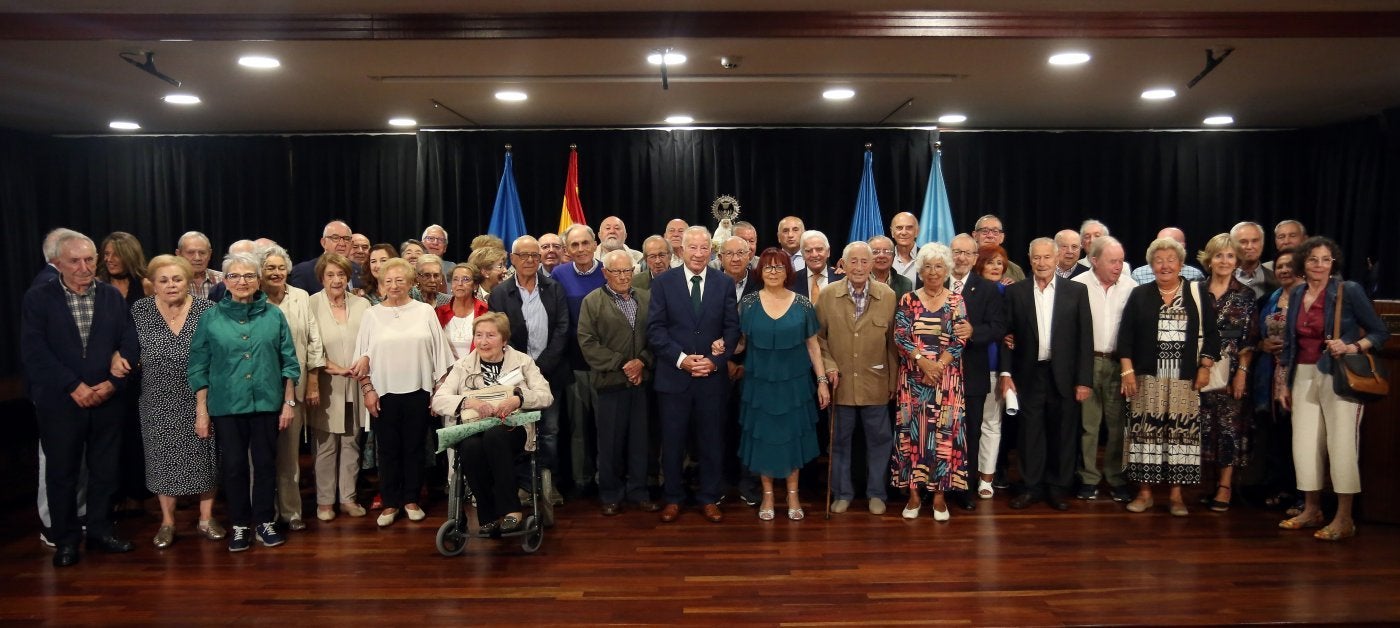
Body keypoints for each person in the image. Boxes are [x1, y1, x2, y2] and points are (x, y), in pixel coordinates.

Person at [22, 230, 140, 566]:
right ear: (57, 262)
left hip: (107, 399)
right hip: (62, 402)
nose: (85, 267)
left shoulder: (110, 297)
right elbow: (34, 351)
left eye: (90, 259)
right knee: (62, 473)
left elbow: (130, 340)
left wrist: (112, 384)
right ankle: (66, 540)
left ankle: (100, 531)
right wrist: (73, 385)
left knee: (105, 470)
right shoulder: (38, 298)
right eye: (75, 260)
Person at [1279, 236, 1389, 541]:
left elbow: (1381, 332)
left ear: (1333, 263)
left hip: (1339, 375)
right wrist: (1284, 383)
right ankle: (1312, 509)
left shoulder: (1347, 290)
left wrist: (1352, 345)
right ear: (1304, 262)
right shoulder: (1298, 291)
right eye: (1313, 259)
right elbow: (1290, 343)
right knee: (1305, 445)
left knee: (1341, 444)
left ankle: (1344, 518)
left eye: (1325, 259)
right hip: (1302, 373)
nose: (1319, 265)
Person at [189, 252, 300, 551]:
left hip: (267, 403)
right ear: (225, 281)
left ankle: (264, 521)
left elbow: (289, 361)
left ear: (258, 280)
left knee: (265, 465)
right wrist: (202, 410)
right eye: (235, 276)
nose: (242, 281)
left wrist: (288, 402)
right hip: (226, 406)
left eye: (249, 275)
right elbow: (198, 366)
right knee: (235, 467)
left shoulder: (274, 315)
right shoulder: (210, 317)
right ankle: (240, 524)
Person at [1118, 237, 1219, 517]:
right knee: (1145, 437)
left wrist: (1205, 367)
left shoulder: (1196, 293)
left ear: (1181, 264)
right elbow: (1125, 336)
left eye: (1171, 260)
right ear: (1151, 265)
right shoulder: (1140, 294)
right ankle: (1145, 493)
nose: (1165, 265)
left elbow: (1212, 336)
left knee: (1181, 438)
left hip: (1184, 380)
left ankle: (1176, 497)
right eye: (1159, 260)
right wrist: (1127, 371)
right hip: (1146, 379)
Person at [647, 226, 740, 523]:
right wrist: (682, 360)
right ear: (681, 251)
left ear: (711, 251)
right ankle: (673, 498)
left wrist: (715, 360)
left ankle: (709, 498)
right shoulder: (663, 283)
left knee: (711, 441)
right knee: (672, 442)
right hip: (674, 378)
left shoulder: (724, 282)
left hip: (712, 379)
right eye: (693, 248)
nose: (699, 254)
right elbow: (656, 330)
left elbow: (731, 327)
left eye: (704, 248)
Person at [430, 313, 555, 532]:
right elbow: (439, 400)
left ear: (504, 339)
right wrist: (468, 401)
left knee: (495, 436)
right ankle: (487, 515)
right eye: (478, 335)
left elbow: (545, 395)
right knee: (470, 447)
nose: (483, 341)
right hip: (474, 428)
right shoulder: (463, 366)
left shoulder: (523, 362)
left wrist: (519, 398)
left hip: (513, 428)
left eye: (490, 335)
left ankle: (511, 509)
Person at [129, 255, 221, 548]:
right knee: (161, 460)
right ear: (153, 285)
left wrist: (203, 406)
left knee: (204, 457)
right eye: (164, 280)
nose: (171, 285)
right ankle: (167, 522)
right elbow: (126, 346)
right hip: (156, 397)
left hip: (201, 395)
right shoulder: (140, 311)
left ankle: (206, 518)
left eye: (177, 279)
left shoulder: (208, 310)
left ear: (188, 282)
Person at [353, 258, 451, 527]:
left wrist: (437, 390)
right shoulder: (371, 315)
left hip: (419, 390)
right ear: (381, 284)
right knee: (387, 450)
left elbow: (439, 355)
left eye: (400, 280)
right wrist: (367, 390)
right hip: (383, 394)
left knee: (415, 448)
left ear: (410, 283)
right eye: (388, 281)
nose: (394, 285)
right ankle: (390, 502)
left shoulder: (424, 312)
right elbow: (362, 358)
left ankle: (410, 499)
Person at [999, 238, 1093, 512]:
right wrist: (1006, 373)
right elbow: (1007, 337)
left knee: (1062, 433)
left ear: (1056, 258)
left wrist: (1084, 380)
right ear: (1030, 260)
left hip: (1064, 375)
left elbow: (1084, 339)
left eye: (1046, 258)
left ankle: (1056, 488)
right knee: (1030, 434)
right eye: (1036, 258)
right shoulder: (1016, 292)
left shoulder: (1076, 291)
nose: (1041, 263)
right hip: (1028, 374)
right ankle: (1031, 487)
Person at [736, 247, 829, 521]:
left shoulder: (802, 303)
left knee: (791, 439)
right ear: (760, 272)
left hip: (794, 385)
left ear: (788, 271)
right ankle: (767, 495)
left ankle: (792, 494)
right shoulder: (750, 303)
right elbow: (740, 341)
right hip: (760, 385)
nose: (773, 272)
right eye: (768, 268)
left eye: (779, 267)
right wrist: (718, 347)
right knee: (764, 438)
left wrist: (822, 381)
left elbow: (813, 346)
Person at [489, 236, 571, 506]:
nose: (529, 260)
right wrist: (524, 369)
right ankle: (524, 485)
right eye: (523, 255)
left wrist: (540, 367)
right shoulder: (500, 293)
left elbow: (562, 329)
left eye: (534, 255)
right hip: (514, 377)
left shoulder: (554, 289)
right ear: (512, 259)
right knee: (520, 433)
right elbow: (501, 335)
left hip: (550, 373)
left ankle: (549, 484)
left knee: (550, 432)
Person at [816, 241, 897, 516]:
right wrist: (827, 368)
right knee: (838, 441)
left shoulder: (887, 296)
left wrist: (892, 380)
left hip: (875, 382)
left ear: (873, 264)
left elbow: (893, 344)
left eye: (865, 261)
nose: (860, 267)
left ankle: (876, 493)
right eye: (854, 262)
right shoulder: (827, 295)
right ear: (844, 264)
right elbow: (819, 340)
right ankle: (842, 493)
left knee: (879, 440)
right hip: (841, 384)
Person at [577, 250, 658, 515]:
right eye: (617, 271)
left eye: (627, 271)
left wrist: (642, 362)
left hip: (642, 382)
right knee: (609, 443)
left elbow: (657, 336)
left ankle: (639, 491)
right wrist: (623, 364)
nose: (623, 277)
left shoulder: (646, 298)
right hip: (610, 383)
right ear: (605, 273)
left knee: (641, 442)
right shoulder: (592, 301)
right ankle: (610, 494)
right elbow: (587, 341)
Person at [892, 242, 968, 522]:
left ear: (947, 269)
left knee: (944, 438)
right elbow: (900, 336)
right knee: (913, 436)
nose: (933, 272)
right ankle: (913, 495)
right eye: (928, 266)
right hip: (913, 379)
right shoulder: (908, 300)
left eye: (939, 266)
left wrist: (938, 366)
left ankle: (939, 497)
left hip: (947, 381)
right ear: (920, 270)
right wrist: (923, 362)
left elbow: (961, 338)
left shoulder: (956, 301)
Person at [260, 245, 326, 531]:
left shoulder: (300, 297)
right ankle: (264, 513)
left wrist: (312, 380)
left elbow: (313, 339)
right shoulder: (252, 298)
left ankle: (291, 512)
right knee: (261, 456)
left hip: (295, 386)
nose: (276, 273)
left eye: (280, 267)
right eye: (269, 268)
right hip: (258, 389)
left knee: (289, 455)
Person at [1196, 233, 1258, 513]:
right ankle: (1209, 484)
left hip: (1232, 370)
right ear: (1209, 259)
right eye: (1219, 255)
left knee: (1230, 429)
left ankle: (1225, 486)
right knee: (1205, 427)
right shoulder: (1196, 289)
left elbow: (1249, 340)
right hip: (1199, 369)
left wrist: (1242, 372)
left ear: (1237, 261)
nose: (1224, 261)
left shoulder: (1246, 295)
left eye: (1230, 256)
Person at [944, 234, 1007, 510]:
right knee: (942, 430)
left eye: (968, 254)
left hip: (973, 373)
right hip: (939, 374)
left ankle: (964, 489)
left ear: (974, 258)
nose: (961, 258)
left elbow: (997, 328)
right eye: (957, 252)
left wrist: (974, 332)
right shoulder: (932, 282)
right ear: (950, 253)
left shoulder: (988, 289)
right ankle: (937, 485)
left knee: (969, 433)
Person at [307, 253, 371, 522]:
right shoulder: (310, 304)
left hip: (356, 383)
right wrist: (333, 366)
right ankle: (324, 501)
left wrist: (362, 362)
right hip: (324, 383)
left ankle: (348, 497)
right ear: (321, 277)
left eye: (341, 275)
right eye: (330, 275)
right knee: (325, 445)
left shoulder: (363, 304)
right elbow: (309, 344)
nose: (336, 280)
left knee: (351, 441)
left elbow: (370, 341)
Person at [1071, 235, 1135, 503]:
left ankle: (1116, 477)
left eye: (1120, 261)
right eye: (1112, 261)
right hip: (1086, 362)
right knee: (1088, 425)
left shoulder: (1131, 287)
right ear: (1094, 260)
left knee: (1118, 424)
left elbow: (1134, 332)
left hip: (1118, 363)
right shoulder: (1076, 286)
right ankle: (1088, 478)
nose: (1118, 266)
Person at [99, 231, 151, 515]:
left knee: (136, 435)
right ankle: (113, 494)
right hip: (109, 370)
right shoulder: (98, 287)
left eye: (115, 254)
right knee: (111, 436)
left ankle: (138, 494)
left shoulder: (144, 285)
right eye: (105, 254)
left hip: (141, 372)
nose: (109, 260)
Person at [555, 224, 609, 495]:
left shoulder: (607, 272)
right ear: (567, 249)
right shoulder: (559, 273)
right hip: (574, 363)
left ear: (595, 243)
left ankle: (605, 478)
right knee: (578, 428)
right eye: (574, 245)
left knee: (605, 426)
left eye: (585, 243)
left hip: (605, 365)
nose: (580, 249)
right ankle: (581, 480)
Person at [1252, 247, 1301, 512]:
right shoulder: (1271, 298)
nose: (1284, 270)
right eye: (1280, 266)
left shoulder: (1308, 298)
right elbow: (1257, 336)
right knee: (1275, 434)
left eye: (1289, 265)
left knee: (1298, 436)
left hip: (1298, 373)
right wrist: (1262, 345)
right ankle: (1276, 488)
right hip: (1270, 375)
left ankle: (1299, 493)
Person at [972, 243, 1012, 496]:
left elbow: (1012, 329)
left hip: (996, 366)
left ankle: (986, 478)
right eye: (990, 262)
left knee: (991, 423)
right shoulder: (968, 290)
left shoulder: (1010, 292)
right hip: (968, 364)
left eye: (1000, 262)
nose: (996, 267)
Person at [437, 263, 489, 360]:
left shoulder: (485, 311)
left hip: (477, 369)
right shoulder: (440, 312)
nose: (460, 284)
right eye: (455, 279)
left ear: (475, 285)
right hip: (447, 372)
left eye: (466, 279)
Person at [289, 220, 352, 294]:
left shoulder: (358, 270)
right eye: (335, 238)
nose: (342, 243)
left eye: (347, 239)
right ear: (323, 243)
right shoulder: (304, 271)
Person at [1130, 227, 1206, 284]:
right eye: (1159, 243)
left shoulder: (1195, 275)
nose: (1163, 247)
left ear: (1182, 246)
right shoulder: (1138, 274)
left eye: (1169, 244)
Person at [973, 215, 1026, 282]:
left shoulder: (1015, 271)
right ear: (975, 236)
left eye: (995, 232)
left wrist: (1014, 289)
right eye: (985, 231)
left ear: (1002, 237)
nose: (990, 236)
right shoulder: (966, 264)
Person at [1230, 221, 1275, 298]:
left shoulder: (1277, 281)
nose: (1250, 246)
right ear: (1232, 245)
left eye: (1255, 241)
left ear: (1262, 243)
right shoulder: (1222, 279)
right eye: (1243, 242)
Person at [792, 230, 837, 300]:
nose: (814, 255)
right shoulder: (792, 280)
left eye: (819, 249)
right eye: (808, 251)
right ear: (802, 255)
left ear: (828, 252)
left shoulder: (841, 278)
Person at [176, 231, 223, 298]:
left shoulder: (223, 280)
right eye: (190, 252)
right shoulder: (170, 282)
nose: (197, 258)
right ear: (179, 254)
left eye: (202, 253)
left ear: (210, 254)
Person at [890, 212, 920, 284]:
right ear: (892, 232)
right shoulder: (885, 258)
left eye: (909, 228)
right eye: (899, 228)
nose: (904, 232)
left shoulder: (926, 258)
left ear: (917, 232)